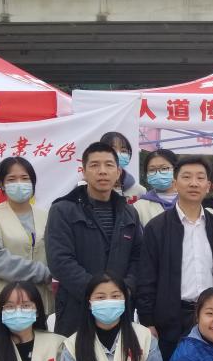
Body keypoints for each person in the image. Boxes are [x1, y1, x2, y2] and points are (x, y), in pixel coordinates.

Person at [46, 142, 142, 336]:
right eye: (95, 165)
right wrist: (97, 294)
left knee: (120, 354)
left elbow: (138, 258)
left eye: (109, 165)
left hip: (120, 308)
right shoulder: (62, 210)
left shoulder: (129, 212)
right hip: (76, 309)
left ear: (118, 172)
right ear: (83, 172)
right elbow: (60, 261)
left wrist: (124, 291)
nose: (102, 171)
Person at [137, 156, 213, 361]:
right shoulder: (157, 227)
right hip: (170, 319)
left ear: (208, 186)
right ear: (175, 183)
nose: (194, 183)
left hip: (211, 317)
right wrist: (148, 321)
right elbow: (146, 277)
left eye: (200, 178)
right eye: (186, 177)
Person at [0, 157, 53, 333]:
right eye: (12, 179)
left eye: (25, 178)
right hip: (2, 308)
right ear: (2, 184)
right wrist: (45, 273)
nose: (19, 183)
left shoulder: (47, 216)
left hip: (38, 306)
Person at [133, 149, 179, 228]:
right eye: (152, 170)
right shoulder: (139, 207)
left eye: (164, 168)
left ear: (176, 170)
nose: (158, 173)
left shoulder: (190, 200)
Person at [100, 131, 145, 201]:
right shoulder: (86, 188)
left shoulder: (139, 191)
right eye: (112, 150)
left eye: (123, 151)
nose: (118, 154)